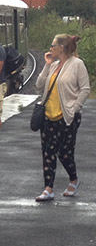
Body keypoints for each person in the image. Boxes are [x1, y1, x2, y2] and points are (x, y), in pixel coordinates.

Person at [34, 34, 90, 202]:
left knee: (64, 153)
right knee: (48, 152)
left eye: (53, 45)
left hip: (66, 116)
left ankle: (73, 179)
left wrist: (74, 108)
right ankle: (48, 188)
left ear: (62, 47)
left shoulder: (77, 64)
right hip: (48, 116)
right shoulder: (54, 65)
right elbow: (39, 85)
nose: (50, 48)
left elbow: (85, 89)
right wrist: (47, 65)